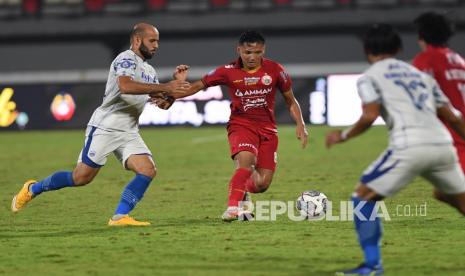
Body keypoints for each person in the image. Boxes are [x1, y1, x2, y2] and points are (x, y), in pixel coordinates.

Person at [11, 23, 191, 226]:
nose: (156, 45)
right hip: (106, 127)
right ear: (137, 40)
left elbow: (163, 104)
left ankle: (119, 217)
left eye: (157, 41)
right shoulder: (125, 59)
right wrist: (166, 86)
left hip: (129, 131)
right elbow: (125, 86)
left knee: (148, 170)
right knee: (81, 178)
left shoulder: (149, 70)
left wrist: (173, 90)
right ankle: (33, 188)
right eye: (152, 41)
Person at [326, 24, 465, 275]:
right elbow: (454, 118)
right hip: (443, 145)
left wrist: (343, 136)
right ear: (399, 48)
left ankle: (372, 265)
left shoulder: (370, 77)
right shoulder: (421, 75)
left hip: (410, 146)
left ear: (367, 51)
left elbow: (370, 116)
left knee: (361, 199)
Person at [156, 30, 308, 221]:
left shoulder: (276, 70)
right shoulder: (227, 71)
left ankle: (244, 190)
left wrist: (301, 124)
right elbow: (197, 86)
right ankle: (232, 208)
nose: (252, 57)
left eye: (257, 53)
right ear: (239, 50)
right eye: (247, 53)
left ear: (263, 50)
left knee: (261, 184)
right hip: (241, 125)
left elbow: (290, 100)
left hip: (268, 130)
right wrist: (171, 96)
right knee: (245, 162)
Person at [412, 11, 465, 173]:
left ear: (422, 37)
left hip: (454, 135)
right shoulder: (458, 60)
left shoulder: (425, 59)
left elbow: (421, 97)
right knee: (443, 192)